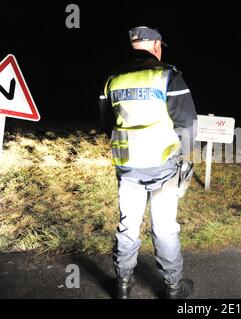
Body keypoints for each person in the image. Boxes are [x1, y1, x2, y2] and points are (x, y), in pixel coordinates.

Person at [99, 26, 197, 299]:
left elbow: (107, 125)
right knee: (164, 227)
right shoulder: (168, 75)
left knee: (128, 225)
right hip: (164, 167)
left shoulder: (112, 79)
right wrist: (186, 159)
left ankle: (122, 286)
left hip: (128, 166)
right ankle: (174, 288)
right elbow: (188, 124)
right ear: (156, 46)